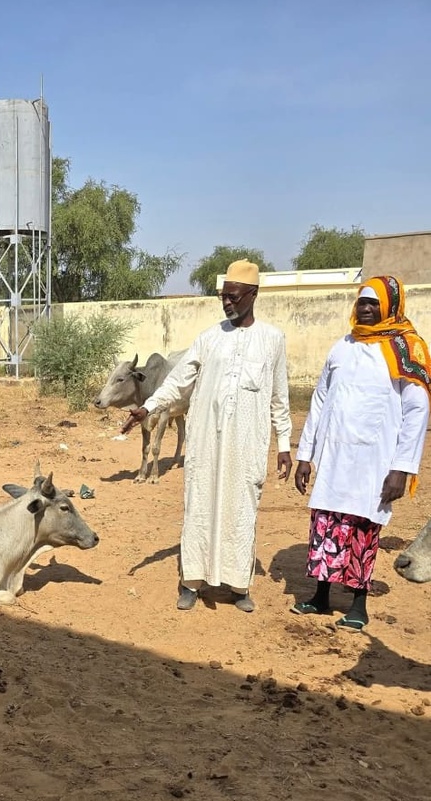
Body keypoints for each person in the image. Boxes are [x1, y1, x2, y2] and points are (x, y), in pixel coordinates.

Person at [121, 259, 292, 613]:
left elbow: (279, 397)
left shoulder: (273, 340)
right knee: (199, 506)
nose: (227, 303)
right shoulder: (209, 339)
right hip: (205, 442)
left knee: (241, 509)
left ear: (253, 294)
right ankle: (192, 582)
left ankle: (238, 585)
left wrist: (285, 446)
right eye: (222, 297)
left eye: (233, 296)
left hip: (247, 444)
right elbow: (177, 381)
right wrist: (148, 407)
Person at [291, 275, 430, 630]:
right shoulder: (342, 346)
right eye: (362, 302)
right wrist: (306, 454)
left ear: (390, 306)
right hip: (335, 457)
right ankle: (320, 596)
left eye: (374, 303)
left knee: (362, 530)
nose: (366, 309)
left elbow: (417, 411)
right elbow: (320, 402)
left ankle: (358, 604)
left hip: (375, 461)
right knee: (326, 525)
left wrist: (402, 467)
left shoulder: (405, 348)